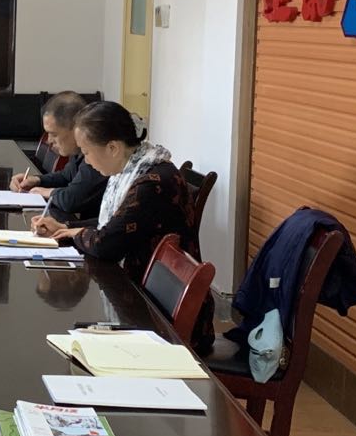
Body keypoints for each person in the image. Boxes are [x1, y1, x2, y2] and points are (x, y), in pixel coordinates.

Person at [32, 100, 212, 351]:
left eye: (86, 152)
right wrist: (66, 226)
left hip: (161, 322)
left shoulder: (151, 182)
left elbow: (107, 244)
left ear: (113, 148)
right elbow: (118, 222)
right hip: (146, 299)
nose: (87, 162)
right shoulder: (135, 169)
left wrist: (73, 232)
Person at [12, 92, 107, 222]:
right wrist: (36, 180)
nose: (49, 140)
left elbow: (71, 200)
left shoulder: (97, 156)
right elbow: (65, 176)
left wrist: (46, 192)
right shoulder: (78, 153)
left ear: (76, 128)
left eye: (54, 134)